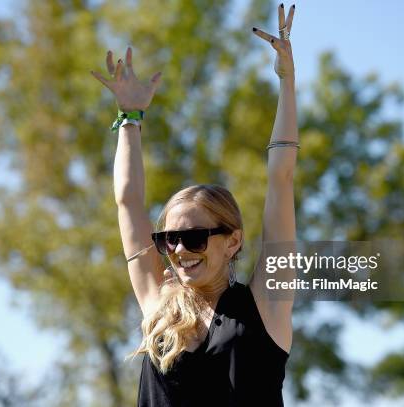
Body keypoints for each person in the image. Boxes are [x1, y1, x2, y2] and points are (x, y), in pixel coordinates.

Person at [91, 3, 298, 406]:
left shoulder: (265, 305)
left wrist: (287, 81)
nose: (179, 250)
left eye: (195, 237)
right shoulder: (159, 303)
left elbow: (281, 178)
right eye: (169, 239)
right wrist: (129, 118)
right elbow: (128, 202)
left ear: (233, 240)